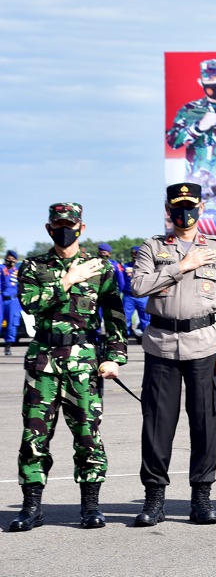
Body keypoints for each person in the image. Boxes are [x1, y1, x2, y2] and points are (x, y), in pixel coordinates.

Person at [8, 202, 128, 532]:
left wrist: (114, 357)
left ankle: (91, 507)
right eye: (58, 225)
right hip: (43, 362)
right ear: (49, 229)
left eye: (70, 225)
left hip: (84, 363)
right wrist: (67, 280)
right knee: (34, 437)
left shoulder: (100, 267)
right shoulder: (34, 266)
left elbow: (114, 315)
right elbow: (29, 304)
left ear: (81, 228)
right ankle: (31, 508)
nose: (64, 230)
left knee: (88, 436)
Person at [129, 183, 216, 527]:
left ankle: (201, 497)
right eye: (177, 207)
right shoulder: (152, 247)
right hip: (161, 344)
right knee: (157, 424)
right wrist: (182, 265)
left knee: (204, 422)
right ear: (168, 209)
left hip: (204, 344)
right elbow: (138, 286)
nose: (184, 213)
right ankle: (154, 498)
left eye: (190, 206)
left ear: (201, 208)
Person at [165, 58, 216, 183]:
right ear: (200, 82)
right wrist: (198, 127)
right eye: (209, 79)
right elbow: (172, 142)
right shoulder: (188, 109)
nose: (215, 83)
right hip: (197, 183)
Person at [121, 246, 151, 340]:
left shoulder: (147, 266)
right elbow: (120, 280)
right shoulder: (125, 266)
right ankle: (125, 335)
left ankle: (146, 336)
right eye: (133, 253)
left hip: (143, 296)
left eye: (137, 253)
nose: (134, 255)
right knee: (125, 317)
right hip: (129, 296)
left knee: (145, 317)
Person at [3, 249, 22, 356]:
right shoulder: (1, 269)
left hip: (13, 301)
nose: (10, 261)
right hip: (1, 299)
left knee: (12, 324)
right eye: (8, 258)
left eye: (12, 259)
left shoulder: (17, 272)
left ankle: (8, 346)